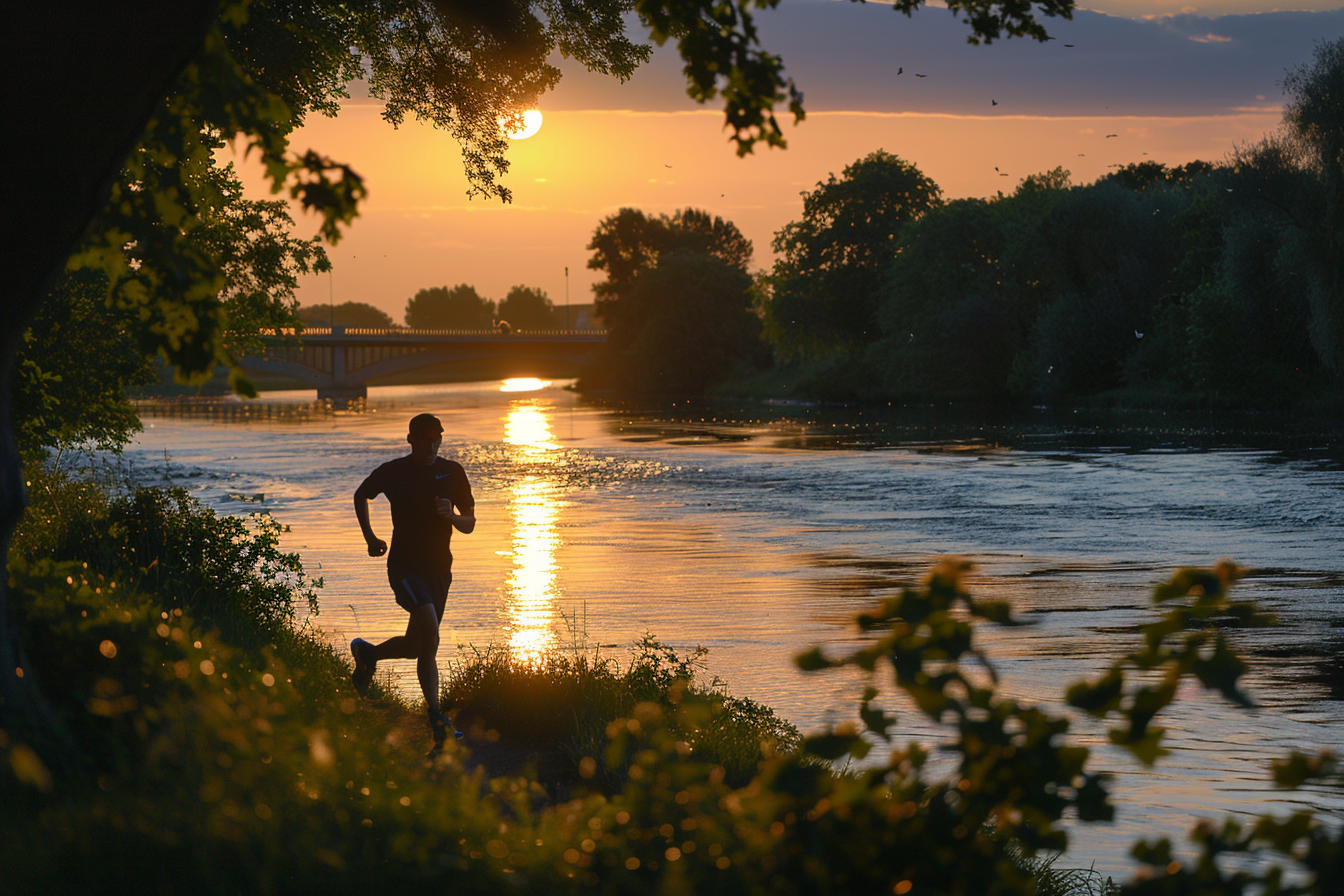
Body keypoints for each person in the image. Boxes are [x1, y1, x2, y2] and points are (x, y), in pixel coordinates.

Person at [350, 412, 476, 749]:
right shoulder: (395, 471)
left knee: (418, 645)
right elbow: (361, 494)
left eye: (436, 437)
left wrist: (452, 516)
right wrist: (370, 538)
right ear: (410, 439)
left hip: (440, 571)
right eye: (423, 438)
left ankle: (368, 654)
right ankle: (437, 719)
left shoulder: (452, 472)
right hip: (404, 568)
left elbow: (470, 523)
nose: (431, 444)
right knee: (431, 634)